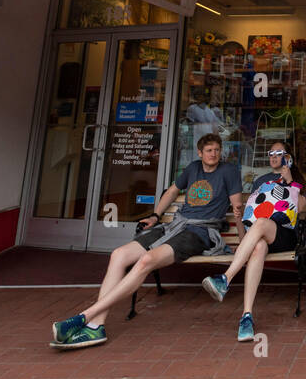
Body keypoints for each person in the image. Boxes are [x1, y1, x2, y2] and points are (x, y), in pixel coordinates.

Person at [49, 133, 242, 349]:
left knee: (145, 261)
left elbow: (237, 208)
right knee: (119, 255)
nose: (214, 154)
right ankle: (97, 325)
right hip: (173, 226)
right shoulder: (193, 168)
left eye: (217, 150)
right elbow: (171, 192)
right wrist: (155, 216)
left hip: (200, 232)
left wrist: (242, 236)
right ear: (200, 153)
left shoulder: (229, 171)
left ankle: (86, 317)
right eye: (209, 150)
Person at [201, 139, 306, 342]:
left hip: (284, 236)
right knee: (257, 246)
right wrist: (239, 219)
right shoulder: (260, 181)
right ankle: (246, 317)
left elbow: (300, 208)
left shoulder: (296, 179)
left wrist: (290, 181)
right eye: (271, 153)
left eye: (279, 153)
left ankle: (226, 278)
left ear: (288, 158)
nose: (274, 156)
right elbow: (246, 235)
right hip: (261, 235)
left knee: (261, 224)